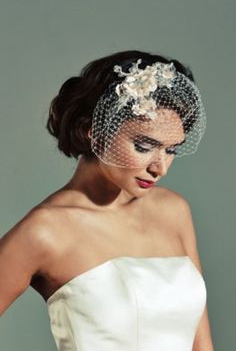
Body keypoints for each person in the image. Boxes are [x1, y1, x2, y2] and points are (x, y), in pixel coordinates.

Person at [0, 50, 215, 351]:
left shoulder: (173, 211)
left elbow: (202, 345)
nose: (160, 168)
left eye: (171, 150)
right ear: (94, 131)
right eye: (144, 145)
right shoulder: (45, 230)